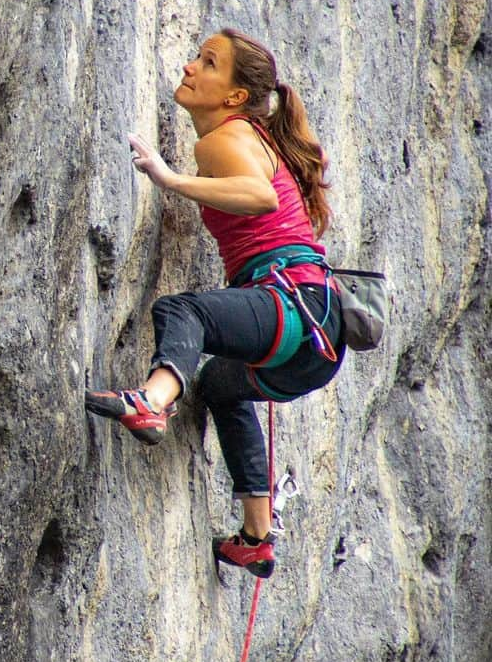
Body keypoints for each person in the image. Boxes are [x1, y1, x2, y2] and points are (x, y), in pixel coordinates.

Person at [85, 28, 345, 579]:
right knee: (222, 386)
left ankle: (152, 400)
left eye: (208, 63)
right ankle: (255, 536)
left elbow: (260, 196)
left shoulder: (224, 138)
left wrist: (168, 177)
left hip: (293, 307)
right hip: (318, 337)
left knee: (185, 312)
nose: (189, 67)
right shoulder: (248, 137)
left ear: (231, 97)